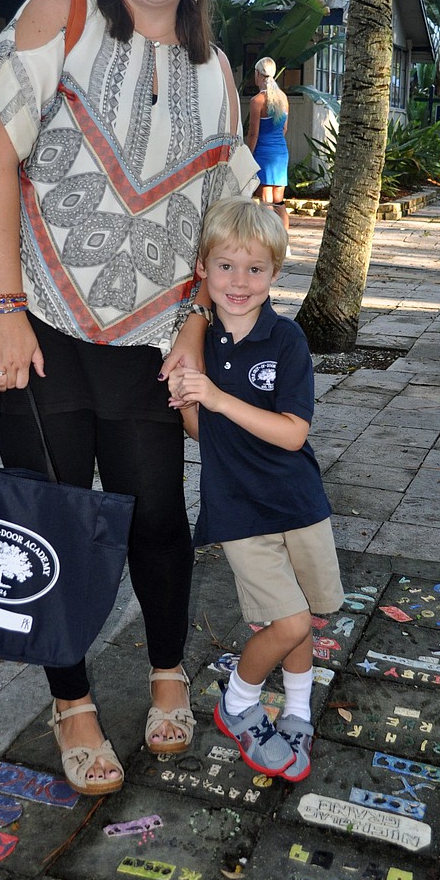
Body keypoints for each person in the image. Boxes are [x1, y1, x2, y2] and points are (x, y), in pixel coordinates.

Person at [0, 0, 258, 795]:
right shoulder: (60, 18)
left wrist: (196, 328)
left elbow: (223, 220)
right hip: (38, 324)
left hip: (153, 343)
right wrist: (2, 308)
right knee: (58, 523)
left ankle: (167, 673)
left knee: (159, 515)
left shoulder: (216, 73)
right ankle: (72, 698)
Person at [172, 198, 344, 782]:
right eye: (224, 266)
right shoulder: (199, 346)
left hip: (298, 502)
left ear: (274, 273)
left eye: (253, 269)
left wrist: (216, 399)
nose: (238, 282)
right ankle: (238, 702)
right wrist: (190, 406)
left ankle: (297, 710)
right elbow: (203, 429)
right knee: (289, 622)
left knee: (308, 616)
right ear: (203, 269)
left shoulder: (287, 340)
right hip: (238, 509)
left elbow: (294, 435)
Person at [247, 57, 290, 246]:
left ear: (258, 74)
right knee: (279, 203)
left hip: (264, 153)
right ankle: (284, 244)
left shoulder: (257, 100)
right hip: (280, 152)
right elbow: (284, 129)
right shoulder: (283, 98)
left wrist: (248, 155)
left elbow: (253, 133)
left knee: (266, 203)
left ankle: (269, 244)